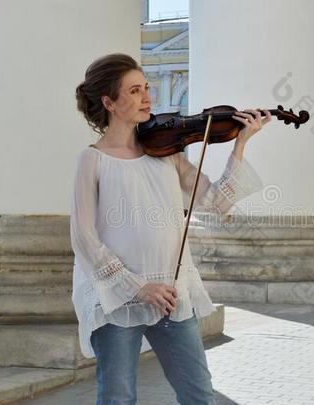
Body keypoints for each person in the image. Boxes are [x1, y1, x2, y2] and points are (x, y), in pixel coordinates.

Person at [71, 52, 271, 405]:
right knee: (118, 397)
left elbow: (215, 202)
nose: (147, 97)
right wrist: (138, 287)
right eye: (134, 91)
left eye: (146, 88)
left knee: (199, 395)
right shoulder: (92, 160)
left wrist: (241, 143)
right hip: (117, 298)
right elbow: (84, 238)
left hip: (170, 293)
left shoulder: (167, 152)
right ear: (109, 102)